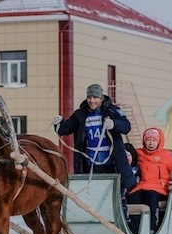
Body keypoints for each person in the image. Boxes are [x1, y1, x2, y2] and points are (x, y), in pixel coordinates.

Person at [53, 83, 137, 219]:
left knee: (116, 194)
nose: (92, 101)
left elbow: (126, 126)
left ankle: (122, 220)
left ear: (101, 98)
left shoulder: (112, 111)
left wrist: (114, 124)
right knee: (92, 195)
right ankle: (95, 223)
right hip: (90, 164)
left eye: (95, 97)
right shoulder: (80, 114)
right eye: (89, 97)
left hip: (112, 163)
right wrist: (59, 123)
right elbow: (65, 129)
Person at [128, 127, 172, 234]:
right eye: (148, 140)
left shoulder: (166, 155)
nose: (151, 143)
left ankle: (153, 228)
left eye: (154, 140)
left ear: (159, 142)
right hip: (141, 186)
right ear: (144, 141)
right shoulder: (139, 153)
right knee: (132, 198)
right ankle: (133, 230)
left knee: (151, 197)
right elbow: (127, 150)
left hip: (159, 188)